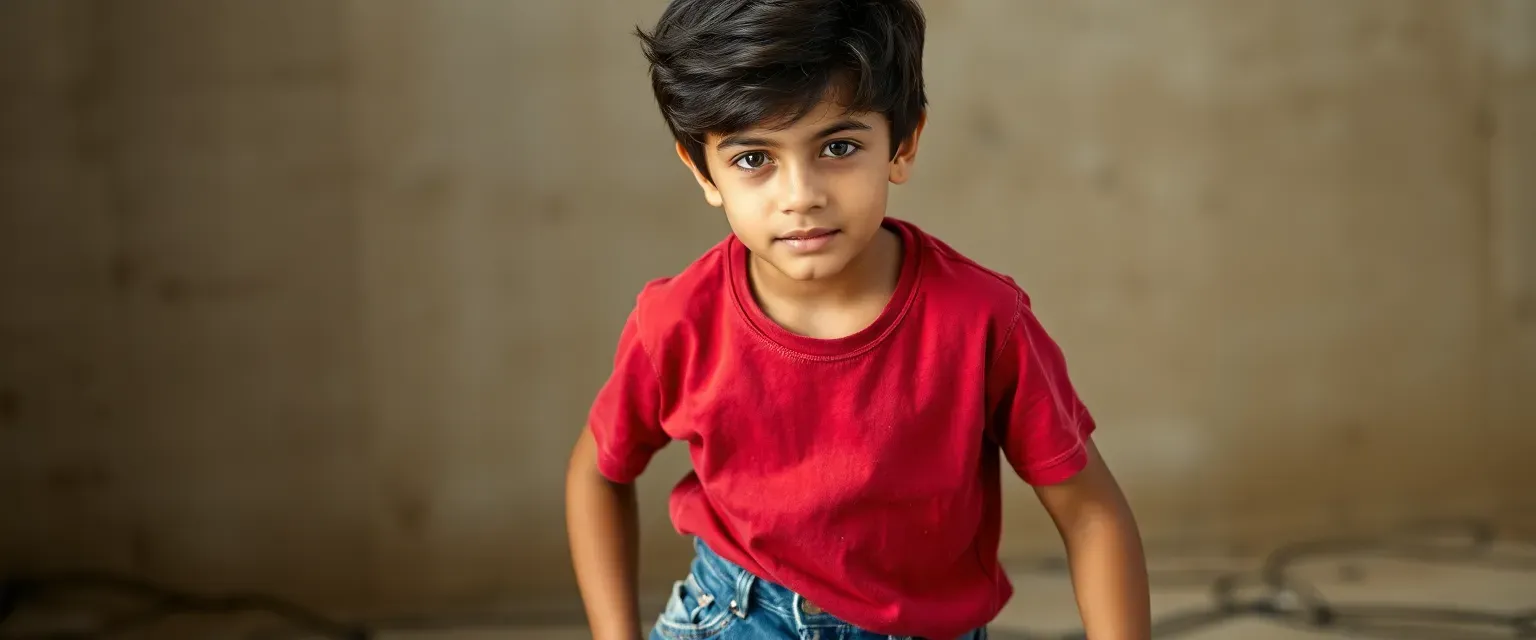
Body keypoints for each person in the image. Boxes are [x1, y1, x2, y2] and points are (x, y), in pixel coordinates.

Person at [565, 1, 1152, 638]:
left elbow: (1093, 516)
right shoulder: (677, 321)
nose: (800, 195)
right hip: (732, 616)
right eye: (753, 159)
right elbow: (596, 474)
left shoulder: (985, 323)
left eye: (838, 147)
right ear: (703, 171)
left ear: (903, 146)